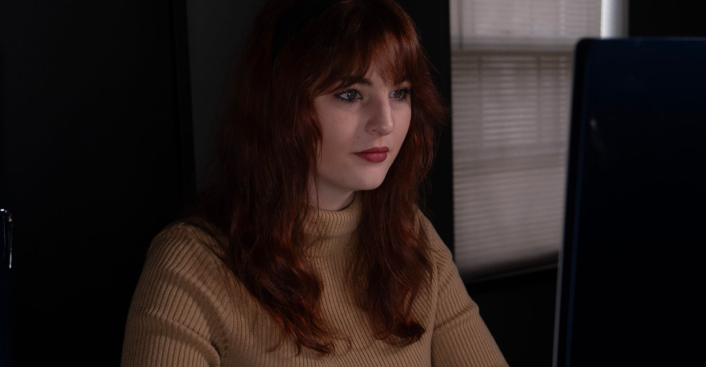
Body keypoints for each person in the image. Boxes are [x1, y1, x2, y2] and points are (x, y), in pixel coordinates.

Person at [120, 0, 508, 365]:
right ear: (282, 104)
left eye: (400, 93)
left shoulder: (412, 236)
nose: (386, 122)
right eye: (351, 94)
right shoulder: (191, 265)